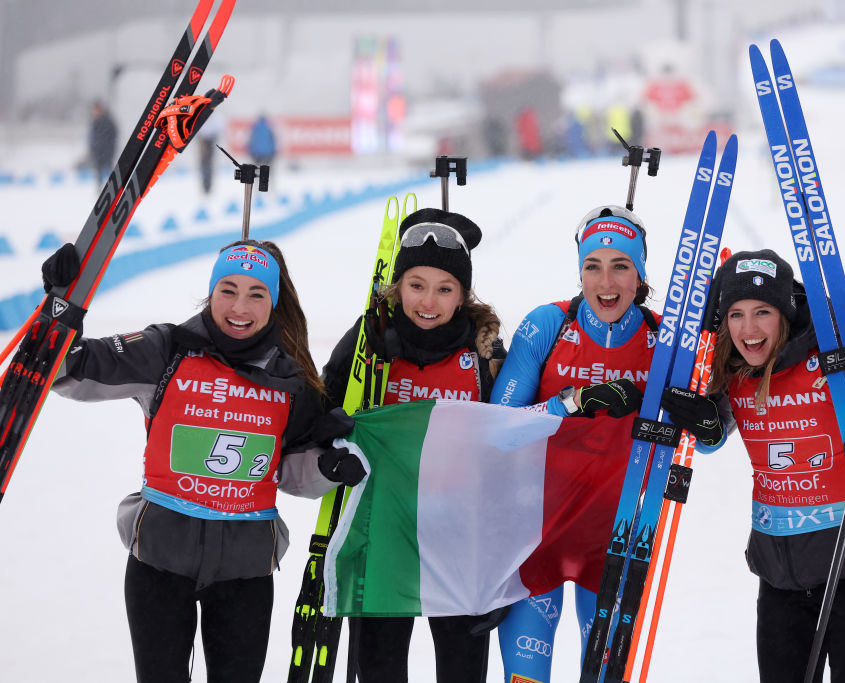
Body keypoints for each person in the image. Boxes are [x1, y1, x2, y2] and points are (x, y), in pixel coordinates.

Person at [45, 239, 359, 683]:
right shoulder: (166, 350)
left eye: (256, 294)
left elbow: (289, 471)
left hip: (245, 572)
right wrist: (59, 310)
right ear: (211, 292)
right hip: (159, 560)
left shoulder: (290, 379)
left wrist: (328, 470)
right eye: (227, 290)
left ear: (273, 302)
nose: (239, 307)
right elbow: (67, 370)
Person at [661, 248, 845, 683]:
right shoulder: (733, 370)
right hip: (778, 587)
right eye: (735, 314)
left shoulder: (839, 360)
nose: (748, 329)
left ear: (785, 313)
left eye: (762, 312)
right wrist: (704, 425)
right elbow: (711, 437)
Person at [320, 207, 506, 683]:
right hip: (383, 537)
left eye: (445, 288)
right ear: (398, 285)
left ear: (463, 295)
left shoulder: (483, 355)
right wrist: (332, 436)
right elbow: (318, 410)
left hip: (459, 541)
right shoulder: (368, 344)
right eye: (416, 284)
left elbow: (510, 452)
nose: (429, 301)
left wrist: (499, 569)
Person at [491, 205, 654, 683]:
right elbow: (497, 430)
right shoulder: (547, 325)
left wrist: (704, 418)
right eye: (593, 266)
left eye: (621, 266)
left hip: (615, 540)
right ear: (579, 271)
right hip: (533, 538)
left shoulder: (662, 338)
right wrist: (569, 403)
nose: (607, 282)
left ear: (640, 275)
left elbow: (701, 441)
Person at [87, 100, 118, 186]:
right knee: (98, 172)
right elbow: (91, 137)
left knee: (110, 170)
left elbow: (114, 135)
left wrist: (110, 148)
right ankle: (99, 189)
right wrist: (92, 149)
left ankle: (114, 186)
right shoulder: (94, 122)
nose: (95, 112)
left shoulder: (108, 121)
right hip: (97, 152)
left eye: (97, 109)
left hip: (107, 151)